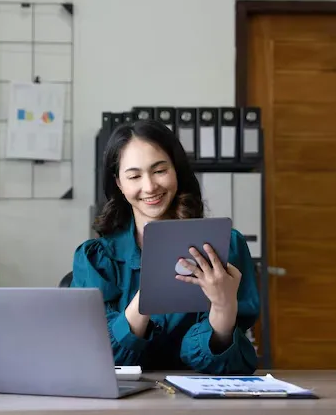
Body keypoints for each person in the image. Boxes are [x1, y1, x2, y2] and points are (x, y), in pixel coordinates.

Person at [71, 119, 260, 375]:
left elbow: (231, 365)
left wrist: (223, 307)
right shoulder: (95, 258)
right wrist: (150, 291)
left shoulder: (226, 245)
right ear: (119, 183)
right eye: (134, 176)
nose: (149, 187)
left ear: (176, 170)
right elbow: (97, 356)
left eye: (160, 171)